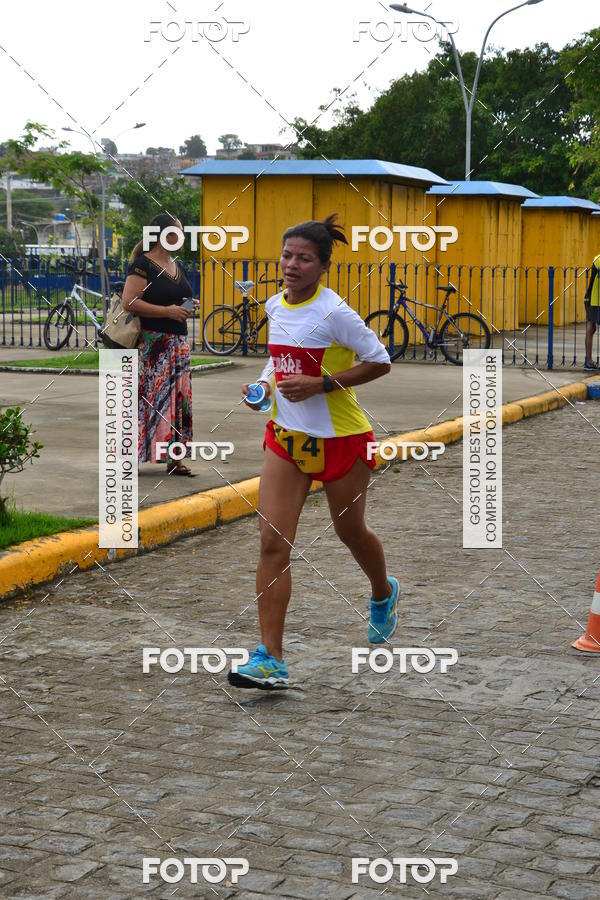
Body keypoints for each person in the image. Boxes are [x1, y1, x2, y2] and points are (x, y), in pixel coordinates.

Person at [228, 214, 398, 690]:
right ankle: (270, 659)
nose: (292, 265)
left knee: (351, 532)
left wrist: (321, 383)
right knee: (271, 543)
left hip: (342, 439)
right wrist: (262, 385)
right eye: (287, 255)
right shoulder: (274, 305)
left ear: (323, 265)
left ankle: (383, 593)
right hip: (285, 437)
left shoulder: (335, 312)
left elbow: (379, 360)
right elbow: (277, 358)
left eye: (304, 258)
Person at [121, 213, 198, 475]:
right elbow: (129, 303)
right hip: (154, 345)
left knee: (178, 400)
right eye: (177, 232)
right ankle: (130, 457)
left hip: (179, 344)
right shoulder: (143, 265)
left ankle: (174, 458)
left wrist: (188, 307)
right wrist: (168, 311)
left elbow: (179, 299)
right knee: (151, 400)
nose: (182, 237)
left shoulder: (177, 265)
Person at [584, 253, 600, 370]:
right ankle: (588, 361)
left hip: (594, 299)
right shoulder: (598, 259)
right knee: (591, 329)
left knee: (591, 329)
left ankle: (589, 361)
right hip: (593, 299)